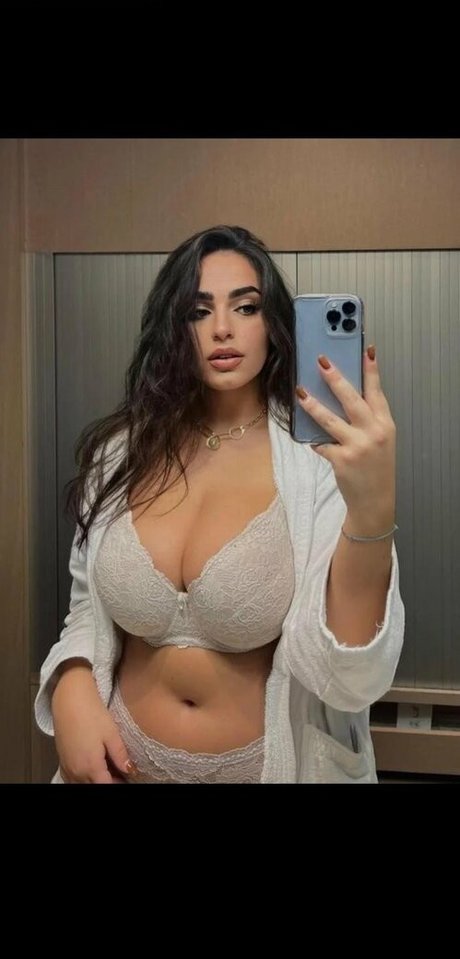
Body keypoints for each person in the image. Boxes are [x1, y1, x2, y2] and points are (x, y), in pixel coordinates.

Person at [34, 224, 404, 784]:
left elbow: (350, 676)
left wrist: (372, 508)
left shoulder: (318, 462)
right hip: (116, 768)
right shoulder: (123, 453)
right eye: (198, 311)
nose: (223, 328)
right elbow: (88, 606)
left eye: (246, 307)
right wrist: (71, 682)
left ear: (273, 323)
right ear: (173, 327)